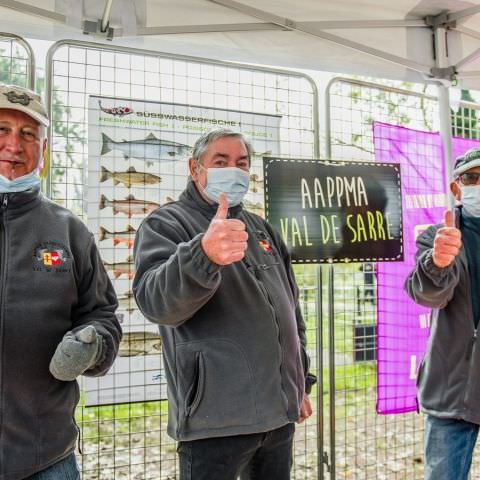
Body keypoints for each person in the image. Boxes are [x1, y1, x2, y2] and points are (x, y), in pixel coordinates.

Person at [133, 128, 316, 480]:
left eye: (241, 163)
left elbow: (290, 311)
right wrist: (203, 254)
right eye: (221, 161)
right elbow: (157, 303)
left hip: (278, 418)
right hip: (215, 424)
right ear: (194, 168)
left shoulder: (261, 229)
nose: (233, 170)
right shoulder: (166, 224)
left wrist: (299, 384)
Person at [0, 83, 121, 479]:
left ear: (44, 151)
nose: (14, 146)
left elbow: (102, 314)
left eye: (28, 134)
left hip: (45, 453)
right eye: (2, 130)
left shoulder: (70, 232)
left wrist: (92, 345)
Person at [406, 147, 480, 480]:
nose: (479, 184)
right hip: (451, 387)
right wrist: (437, 263)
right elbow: (426, 295)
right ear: (456, 188)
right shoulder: (440, 237)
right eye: (472, 178)